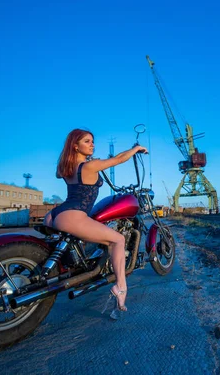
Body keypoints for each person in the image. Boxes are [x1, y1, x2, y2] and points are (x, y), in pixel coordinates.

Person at [43, 128, 147, 317]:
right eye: (87, 141)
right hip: (73, 214)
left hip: (55, 214)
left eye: (92, 141)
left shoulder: (65, 168)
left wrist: (84, 157)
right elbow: (119, 159)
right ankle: (121, 287)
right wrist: (136, 149)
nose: (92, 144)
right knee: (117, 240)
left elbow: (62, 173)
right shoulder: (89, 167)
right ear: (75, 146)